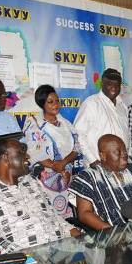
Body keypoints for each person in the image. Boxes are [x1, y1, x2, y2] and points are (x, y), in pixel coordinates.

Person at [0, 136, 82, 253]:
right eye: (21, 152)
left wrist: (83, 239)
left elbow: (55, 218)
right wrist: (30, 258)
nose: (27, 157)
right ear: (6, 158)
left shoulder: (31, 182)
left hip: (61, 254)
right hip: (25, 263)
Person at [69, 134, 132, 230]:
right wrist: (113, 233)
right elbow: (84, 214)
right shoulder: (88, 177)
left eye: (125, 151)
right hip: (112, 235)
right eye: (118, 152)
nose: (124, 155)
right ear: (103, 156)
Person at [23, 84, 81, 218]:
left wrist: (64, 163)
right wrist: (57, 167)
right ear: (42, 104)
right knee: (48, 215)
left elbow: (77, 147)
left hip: (66, 174)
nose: (55, 104)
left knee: (66, 213)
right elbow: (34, 151)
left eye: (56, 101)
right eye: (50, 102)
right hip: (46, 177)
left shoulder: (66, 123)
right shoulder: (34, 123)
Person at [73, 68, 130, 165]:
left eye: (117, 84)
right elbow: (78, 134)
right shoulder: (91, 103)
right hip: (99, 165)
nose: (114, 87)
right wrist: (93, 160)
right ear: (102, 83)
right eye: (109, 84)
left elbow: (127, 135)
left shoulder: (122, 107)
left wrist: (129, 155)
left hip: (121, 166)